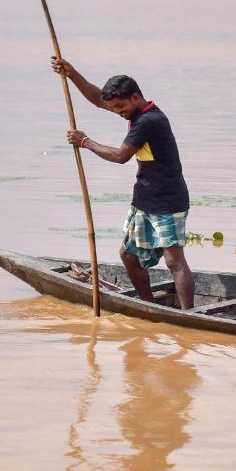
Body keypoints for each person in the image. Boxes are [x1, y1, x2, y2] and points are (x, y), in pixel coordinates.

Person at [50, 57, 194, 309]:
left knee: (174, 262)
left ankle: (189, 314)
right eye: (115, 107)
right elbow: (98, 99)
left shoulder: (148, 121)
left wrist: (85, 142)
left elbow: (120, 156)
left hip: (168, 199)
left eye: (121, 106)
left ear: (136, 98)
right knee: (128, 255)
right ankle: (149, 306)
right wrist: (72, 74)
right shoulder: (136, 112)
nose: (118, 111)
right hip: (145, 199)